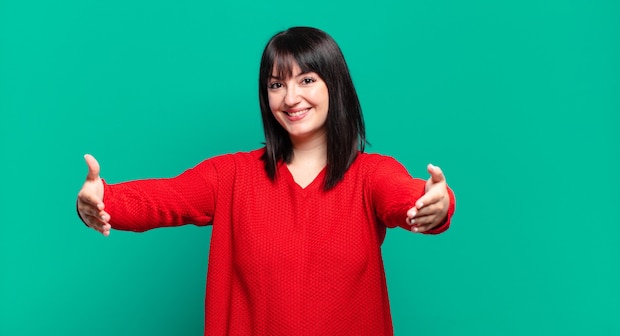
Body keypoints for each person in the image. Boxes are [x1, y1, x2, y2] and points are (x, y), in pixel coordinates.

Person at [77, 27, 456, 335]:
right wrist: (100, 199)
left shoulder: (370, 174)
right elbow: (163, 199)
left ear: (334, 86)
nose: (291, 98)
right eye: (276, 85)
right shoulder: (232, 175)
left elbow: (405, 198)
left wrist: (434, 202)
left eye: (306, 80)